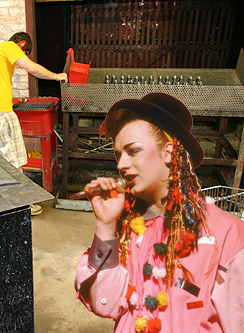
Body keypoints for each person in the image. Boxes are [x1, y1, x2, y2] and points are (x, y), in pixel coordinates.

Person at [74, 93, 244, 332]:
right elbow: (105, 304)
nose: (121, 165)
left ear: (168, 152)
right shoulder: (126, 228)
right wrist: (105, 225)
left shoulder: (227, 233)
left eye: (133, 151)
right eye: (118, 154)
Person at [0, 32, 67, 216]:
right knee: (15, 160)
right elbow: (33, 69)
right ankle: (23, 204)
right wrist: (58, 76)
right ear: (22, 45)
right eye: (25, 53)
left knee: (2, 161)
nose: (23, 58)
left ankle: (6, 203)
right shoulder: (9, 47)